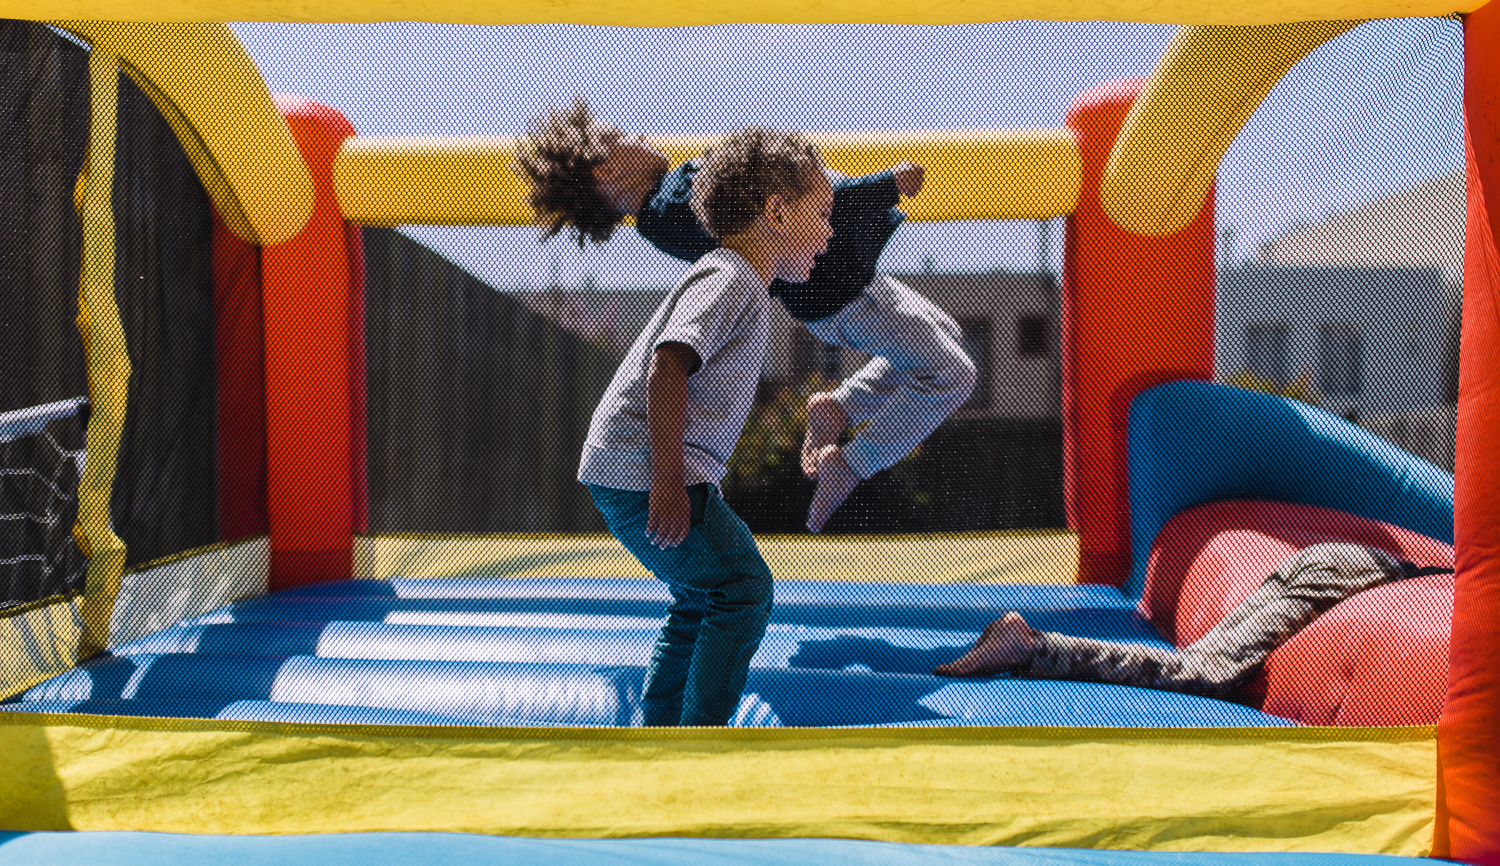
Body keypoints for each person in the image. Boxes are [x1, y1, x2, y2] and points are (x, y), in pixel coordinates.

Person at [514, 99, 976, 533]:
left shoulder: (667, 208)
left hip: (846, 278)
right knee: (952, 373)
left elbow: (786, 204)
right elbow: (780, 208)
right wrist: (884, 186)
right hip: (840, 292)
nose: (639, 134)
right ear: (609, 171)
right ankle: (851, 464)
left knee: (946, 336)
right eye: (624, 135)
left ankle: (841, 405)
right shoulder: (672, 208)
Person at [577, 127, 834, 726]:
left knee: (701, 596)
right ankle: (702, 736)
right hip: (646, 472)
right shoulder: (729, 280)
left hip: (632, 469)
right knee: (743, 591)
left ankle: (663, 726)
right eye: (822, 213)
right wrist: (668, 482)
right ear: (777, 212)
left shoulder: (733, 278)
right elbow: (668, 364)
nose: (829, 231)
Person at [933, 542, 1450, 700]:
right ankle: (1034, 646)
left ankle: (1033, 644)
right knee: (1207, 672)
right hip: (1357, 571)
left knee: (1206, 665)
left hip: (1348, 565)